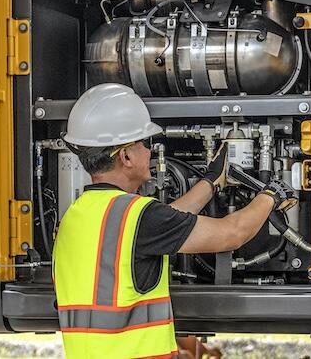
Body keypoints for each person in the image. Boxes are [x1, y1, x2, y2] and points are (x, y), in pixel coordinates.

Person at [53, 83, 294, 359]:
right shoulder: (139, 217)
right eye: (146, 143)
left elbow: (167, 222)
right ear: (126, 156)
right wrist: (271, 196)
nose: (150, 151)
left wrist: (210, 183)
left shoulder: (77, 216)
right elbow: (232, 233)